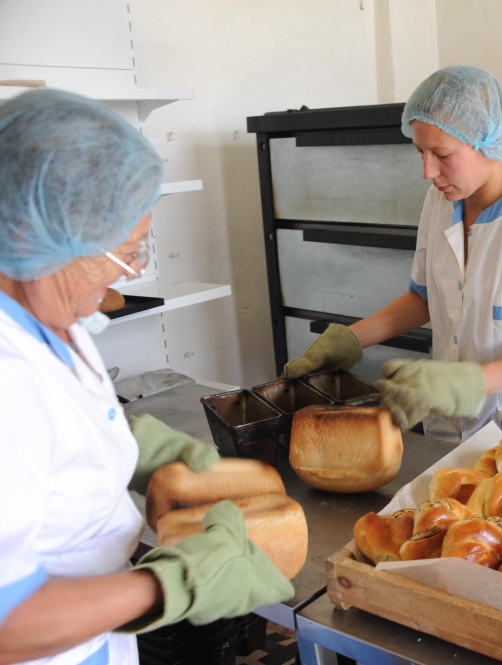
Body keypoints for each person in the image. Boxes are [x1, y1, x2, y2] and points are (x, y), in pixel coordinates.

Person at [0, 90, 292, 665]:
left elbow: (55, 433)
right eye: (128, 253)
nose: (131, 273)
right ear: (56, 240)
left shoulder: (50, 310)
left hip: (99, 638)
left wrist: (138, 451)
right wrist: (171, 584)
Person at [283, 66, 502, 442]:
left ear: (488, 143)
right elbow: (424, 298)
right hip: (448, 426)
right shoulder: (441, 200)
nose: (428, 171)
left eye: (442, 154)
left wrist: (465, 383)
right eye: (420, 152)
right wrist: (350, 339)